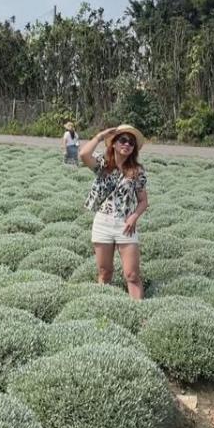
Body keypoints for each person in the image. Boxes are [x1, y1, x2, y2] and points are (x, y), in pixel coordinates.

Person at [79, 124, 148, 300]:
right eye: (123, 140)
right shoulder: (103, 164)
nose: (127, 144)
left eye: (131, 142)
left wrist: (134, 216)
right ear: (114, 144)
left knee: (132, 275)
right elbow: (83, 155)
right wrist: (101, 135)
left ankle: (139, 313)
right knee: (105, 273)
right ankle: (103, 305)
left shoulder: (137, 171)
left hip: (125, 225)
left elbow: (143, 201)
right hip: (103, 223)